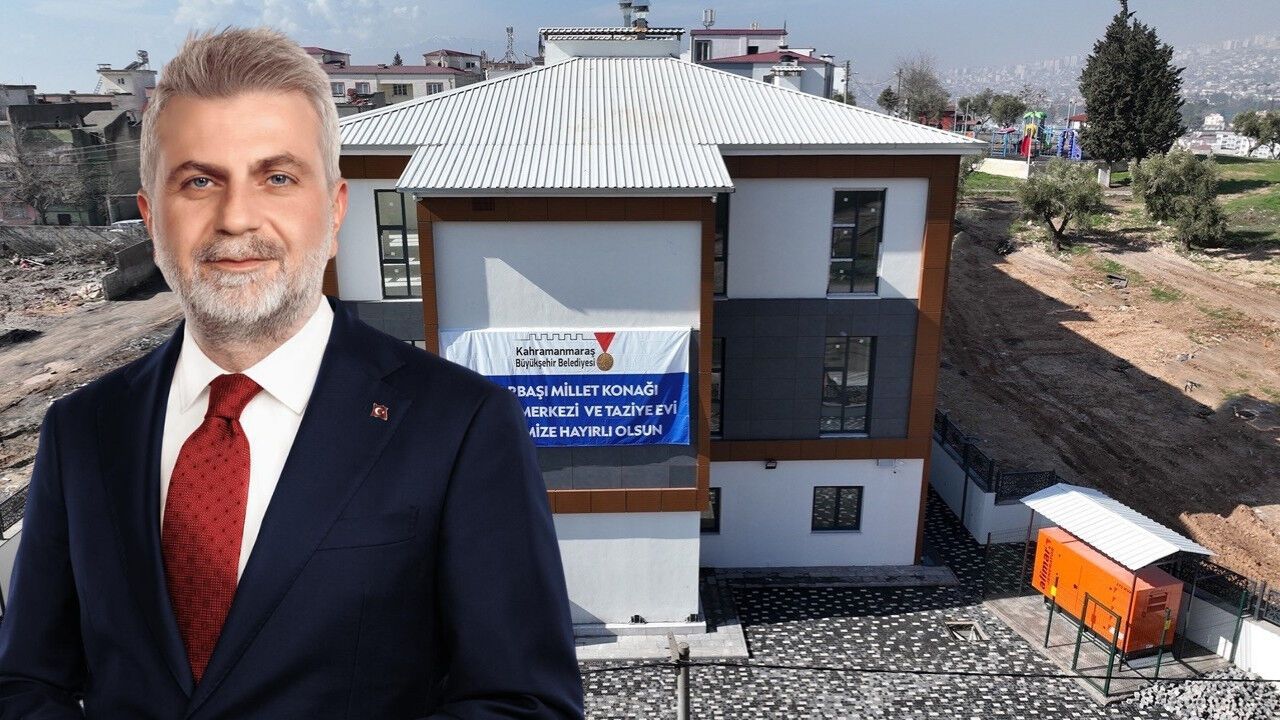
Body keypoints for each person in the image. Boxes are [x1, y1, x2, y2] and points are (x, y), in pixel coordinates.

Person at [0, 26, 584, 719]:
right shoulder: (82, 429)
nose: (236, 218)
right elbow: (26, 683)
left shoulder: (461, 424)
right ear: (151, 219)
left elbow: (524, 703)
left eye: (277, 178)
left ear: (333, 211)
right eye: (199, 181)